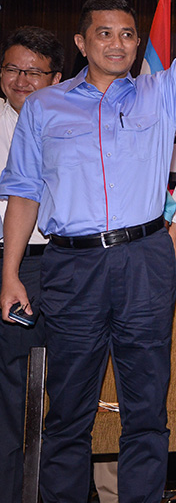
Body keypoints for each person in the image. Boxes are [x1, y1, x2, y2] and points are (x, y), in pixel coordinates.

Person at [0, 0, 176, 503]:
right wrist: (8, 274)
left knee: (147, 410)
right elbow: (24, 193)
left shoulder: (160, 91)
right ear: (81, 43)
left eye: (128, 34)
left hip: (145, 261)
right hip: (70, 269)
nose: (118, 43)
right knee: (68, 415)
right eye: (104, 33)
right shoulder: (44, 109)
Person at [0, 26, 63, 503]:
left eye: (33, 71)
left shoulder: (72, 124)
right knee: (10, 394)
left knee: (63, 392)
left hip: (60, 266)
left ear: (56, 78)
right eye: (12, 69)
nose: (21, 79)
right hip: (8, 269)